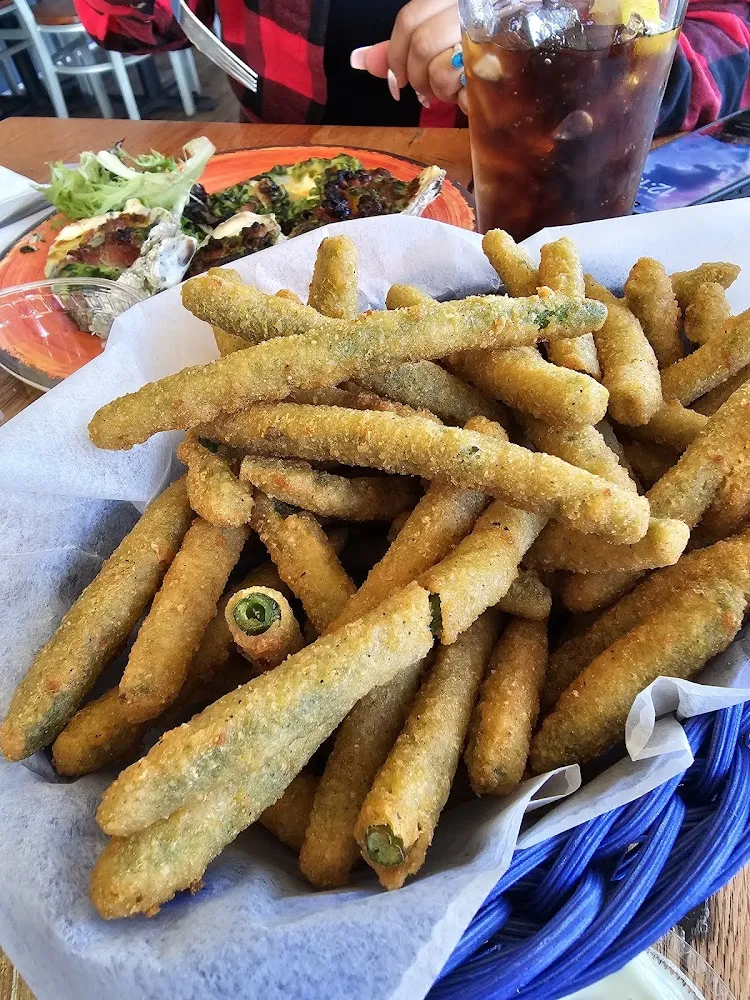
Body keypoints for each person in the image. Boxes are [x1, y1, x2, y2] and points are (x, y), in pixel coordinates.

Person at [76, 0, 750, 134]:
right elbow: (142, 27)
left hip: (525, 196)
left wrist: (546, 37)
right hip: (285, 181)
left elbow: (728, 38)